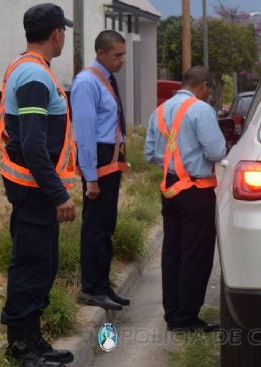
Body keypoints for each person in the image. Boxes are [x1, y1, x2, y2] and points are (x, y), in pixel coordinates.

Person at [0, 3, 77, 367]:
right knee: (31, 265)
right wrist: (59, 193)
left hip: (33, 188)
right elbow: (32, 145)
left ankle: (33, 337)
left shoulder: (30, 69)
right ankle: (21, 347)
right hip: (34, 190)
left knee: (41, 263)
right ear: (56, 33)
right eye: (64, 30)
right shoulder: (33, 76)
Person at [144, 66, 226, 332]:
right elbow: (216, 151)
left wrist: (174, 162)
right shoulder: (201, 110)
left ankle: (173, 313)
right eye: (208, 89)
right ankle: (187, 317)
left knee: (173, 252)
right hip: (196, 190)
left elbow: (150, 153)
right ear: (202, 86)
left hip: (170, 188)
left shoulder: (159, 111)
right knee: (196, 254)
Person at [71, 30, 131, 311]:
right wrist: (90, 177)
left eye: (123, 54)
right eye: (117, 55)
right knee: (95, 227)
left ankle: (103, 284)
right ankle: (91, 288)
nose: (122, 60)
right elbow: (84, 132)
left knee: (106, 225)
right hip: (98, 159)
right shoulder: (86, 83)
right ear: (101, 53)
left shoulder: (107, 79)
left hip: (110, 159)